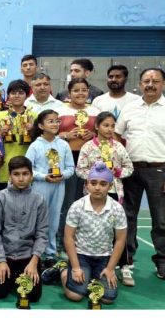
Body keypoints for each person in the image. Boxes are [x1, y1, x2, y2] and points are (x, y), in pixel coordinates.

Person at [115, 67, 165, 281]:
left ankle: (163, 261)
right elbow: (117, 136)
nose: (150, 84)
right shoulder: (129, 108)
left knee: (161, 220)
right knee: (127, 216)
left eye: (155, 81)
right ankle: (127, 258)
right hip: (130, 170)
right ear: (139, 84)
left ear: (164, 84)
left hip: (159, 170)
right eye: (146, 80)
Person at [76, 112, 134, 286]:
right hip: (92, 194)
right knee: (92, 228)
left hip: (114, 192)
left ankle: (123, 265)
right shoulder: (87, 147)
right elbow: (80, 170)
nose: (109, 129)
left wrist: (116, 172)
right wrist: (95, 176)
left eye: (112, 126)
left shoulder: (118, 147)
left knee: (118, 230)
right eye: (105, 125)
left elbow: (129, 168)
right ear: (96, 126)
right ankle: (88, 261)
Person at [59, 163, 127, 305]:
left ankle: (90, 276)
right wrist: (76, 268)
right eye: (93, 183)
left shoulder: (117, 208)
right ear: (87, 185)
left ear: (110, 186)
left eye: (103, 184)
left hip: (104, 257)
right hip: (81, 256)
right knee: (75, 295)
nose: (97, 187)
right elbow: (68, 237)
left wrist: (110, 268)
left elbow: (120, 240)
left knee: (107, 298)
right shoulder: (77, 206)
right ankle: (63, 270)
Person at [0, 156, 48, 302]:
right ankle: (6, 273)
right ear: (9, 176)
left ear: (31, 176)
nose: (21, 178)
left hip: (27, 257)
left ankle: (20, 275)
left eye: (25, 174)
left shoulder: (39, 200)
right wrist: (1, 261)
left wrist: (34, 262)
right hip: (4, 254)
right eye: (16, 174)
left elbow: (42, 234)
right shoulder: (0, 198)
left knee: (33, 295)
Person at [56, 78, 101, 256]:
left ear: (88, 91)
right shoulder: (60, 111)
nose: (80, 93)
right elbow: (50, 131)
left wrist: (94, 134)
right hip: (67, 159)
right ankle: (63, 241)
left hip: (90, 161)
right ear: (69, 93)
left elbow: (105, 131)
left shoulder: (96, 112)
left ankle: (85, 241)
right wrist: (66, 134)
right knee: (67, 203)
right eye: (76, 90)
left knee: (88, 202)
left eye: (84, 90)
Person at [25, 109, 74, 266]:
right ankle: (36, 252)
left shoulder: (64, 145)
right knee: (39, 219)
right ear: (40, 125)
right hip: (41, 186)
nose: (54, 124)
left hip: (58, 186)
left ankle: (51, 253)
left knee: (54, 218)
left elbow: (70, 168)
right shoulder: (35, 146)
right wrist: (43, 176)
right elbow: (28, 169)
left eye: (56, 121)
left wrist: (63, 176)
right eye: (50, 121)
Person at [0, 79, 37, 189]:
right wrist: (0, 134)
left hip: (27, 166)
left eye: (21, 93)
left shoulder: (34, 116)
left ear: (26, 96)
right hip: (4, 167)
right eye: (13, 93)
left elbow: (39, 142)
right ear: (8, 96)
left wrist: (32, 131)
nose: (17, 96)